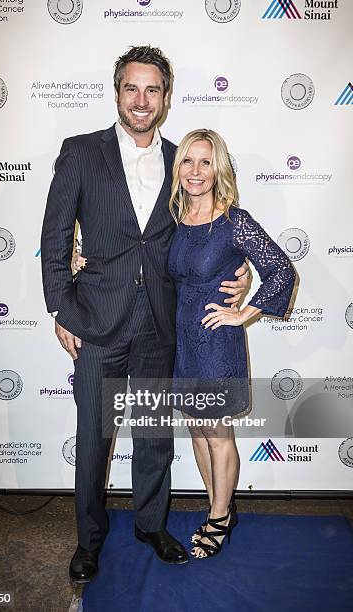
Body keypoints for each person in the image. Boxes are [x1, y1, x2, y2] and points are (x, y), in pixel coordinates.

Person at [41, 47, 248, 583]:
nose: (141, 100)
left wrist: (242, 275)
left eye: (152, 89)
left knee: (154, 434)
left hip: (161, 321)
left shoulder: (185, 161)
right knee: (94, 437)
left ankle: (151, 525)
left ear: (165, 96)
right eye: (132, 88)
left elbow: (208, 231)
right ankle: (89, 540)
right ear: (116, 92)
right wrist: (62, 306)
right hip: (96, 320)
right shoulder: (81, 152)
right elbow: (56, 236)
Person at [167, 129, 296, 559]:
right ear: (179, 166)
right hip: (181, 342)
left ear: (218, 168)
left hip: (216, 345)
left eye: (206, 162)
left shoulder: (233, 221)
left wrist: (244, 311)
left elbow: (281, 270)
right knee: (197, 431)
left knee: (218, 433)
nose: (196, 171)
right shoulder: (172, 218)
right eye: (188, 161)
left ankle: (220, 518)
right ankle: (217, 506)